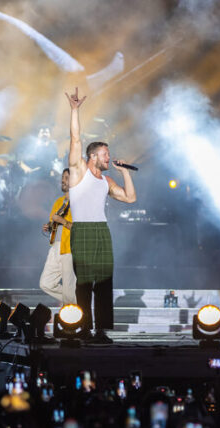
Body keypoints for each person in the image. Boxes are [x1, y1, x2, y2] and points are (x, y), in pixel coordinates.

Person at [65, 87, 136, 343]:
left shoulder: (106, 181)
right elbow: (75, 139)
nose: (109, 157)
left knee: (104, 282)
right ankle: (83, 328)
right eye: (105, 154)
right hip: (83, 229)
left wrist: (124, 172)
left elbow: (130, 198)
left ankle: (101, 330)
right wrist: (75, 110)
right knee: (85, 282)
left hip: (101, 231)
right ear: (93, 156)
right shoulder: (79, 172)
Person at [40, 168, 77, 305]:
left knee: (69, 287)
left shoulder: (80, 202)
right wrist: (49, 227)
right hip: (55, 247)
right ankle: (78, 301)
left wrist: (62, 221)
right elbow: (53, 223)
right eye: (62, 177)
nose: (63, 180)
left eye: (67, 178)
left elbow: (81, 229)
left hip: (70, 248)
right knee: (46, 284)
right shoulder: (58, 201)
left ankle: (76, 308)